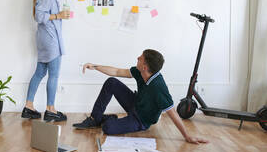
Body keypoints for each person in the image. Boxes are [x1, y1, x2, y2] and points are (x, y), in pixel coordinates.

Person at [73, 49, 209, 144]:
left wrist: (187, 136)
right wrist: (95, 66)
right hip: (135, 103)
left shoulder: (158, 87)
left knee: (108, 128)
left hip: (141, 120)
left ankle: (109, 119)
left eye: (141, 58)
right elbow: (116, 71)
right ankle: (94, 119)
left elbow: (172, 113)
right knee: (112, 82)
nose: (138, 58)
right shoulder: (140, 72)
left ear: (145, 67)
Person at [21, 0, 97, 122]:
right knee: (53, 75)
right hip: (50, 40)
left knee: (40, 72)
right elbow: (39, 16)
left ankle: (28, 106)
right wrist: (58, 16)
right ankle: (51, 109)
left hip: (44, 40)